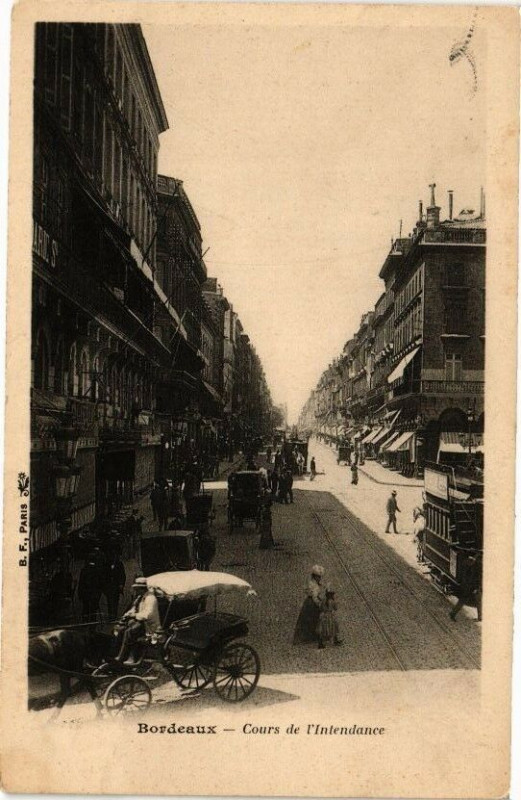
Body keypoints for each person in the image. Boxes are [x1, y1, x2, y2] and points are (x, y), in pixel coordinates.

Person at [114, 577, 161, 664]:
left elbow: (147, 614)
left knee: (130, 631)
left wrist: (134, 615)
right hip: (142, 623)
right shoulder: (140, 597)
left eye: (137, 589)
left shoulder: (150, 598)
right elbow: (134, 609)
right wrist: (128, 614)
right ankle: (117, 654)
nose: (135, 591)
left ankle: (126, 657)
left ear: (142, 589)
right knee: (121, 629)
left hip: (149, 626)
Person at [293, 565, 325, 644]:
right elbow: (315, 597)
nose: (319, 579)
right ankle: (307, 637)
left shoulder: (312, 583)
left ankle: (310, 635)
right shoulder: (314, 586)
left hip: (308, 603)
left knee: (310, 619)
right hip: (312, 604)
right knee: (310, 619)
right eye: (318, 577)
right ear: (315, 577)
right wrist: (320, 604)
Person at [450, 551, 482, 622]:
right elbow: (476, 577)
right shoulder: (476, 564)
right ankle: (452, 613)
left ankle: (453, 613)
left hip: (468, 586)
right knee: (475, 600)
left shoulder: (466, 562)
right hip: (471, 586)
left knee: (473, 600)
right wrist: (476, 587)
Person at [78, 555, 103, 622]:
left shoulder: (85, 570)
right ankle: (91, 623)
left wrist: (80, 593)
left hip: (88, 593)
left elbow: (81, 582)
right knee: (91, 609)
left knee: (87, 608)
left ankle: (86, 622)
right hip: (91, 593)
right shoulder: (97, 570)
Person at [103, 551, 126, 620]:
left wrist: (121, 584)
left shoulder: (119, 564)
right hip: (109, 585)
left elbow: (122, 575)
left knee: (115, 601)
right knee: (109, 601)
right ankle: (111, 616)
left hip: (116, 585)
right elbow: (104, 575)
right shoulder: (106, 564)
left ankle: (114, 615)